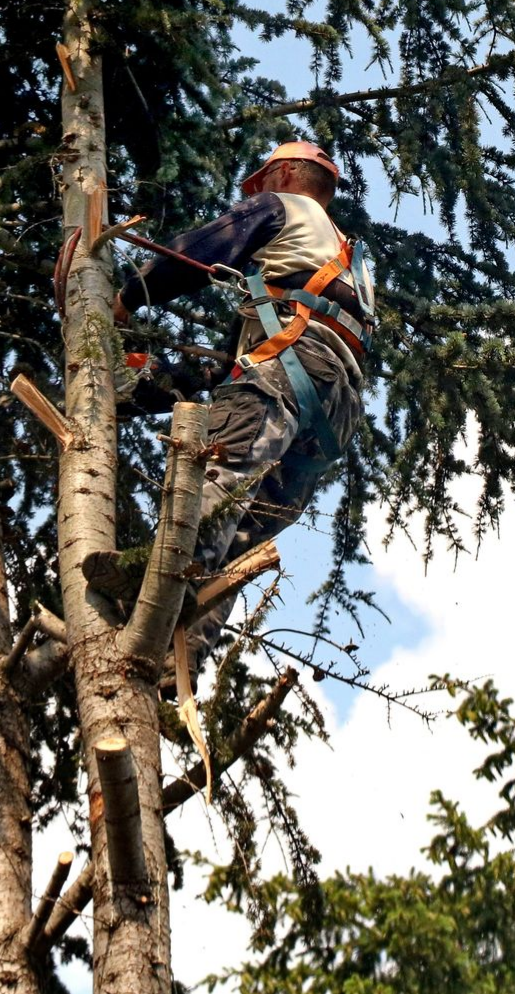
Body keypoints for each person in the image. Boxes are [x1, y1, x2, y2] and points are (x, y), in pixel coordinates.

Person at [111, 142, 375, 681]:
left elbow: (204, 249)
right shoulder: (341, 258)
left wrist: (129, 295)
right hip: (333, 412)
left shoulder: (286, 209)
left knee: (215, 486)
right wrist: (151, 387)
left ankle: (151, 593)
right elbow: (233, 371)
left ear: (286, 173)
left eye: (262, 182)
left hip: (292, 370)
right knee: (239, 538)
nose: (257, 194)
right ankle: (178, 664)